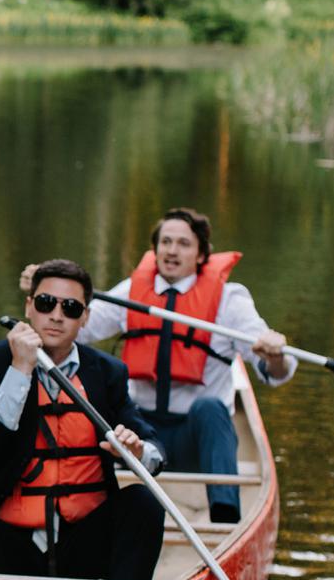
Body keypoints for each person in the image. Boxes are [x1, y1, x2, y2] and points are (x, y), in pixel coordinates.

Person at [0, 259, 166, 580]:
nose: (56, 315)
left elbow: (155, 451)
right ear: (29, 307)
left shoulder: (107, 372)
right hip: (14, 542)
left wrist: (135, 448)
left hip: (84, 542)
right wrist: (20, 369)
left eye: (70, 308)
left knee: (145, 502)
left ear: (85, 318)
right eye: (46, 303)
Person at [19, 208, 294, 524]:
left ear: (202, 253)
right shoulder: (131, 292)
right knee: (100, 402)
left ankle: (225, 517)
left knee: (210, 408)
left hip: (195, 439)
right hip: (139, 433)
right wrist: (48, 295)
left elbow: (277, 373)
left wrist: (274, 355)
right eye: (165, 242)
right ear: (155, 249)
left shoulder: (230, 301)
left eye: (183, 243)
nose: (172, 251)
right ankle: (79, 503)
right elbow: (75, 328)